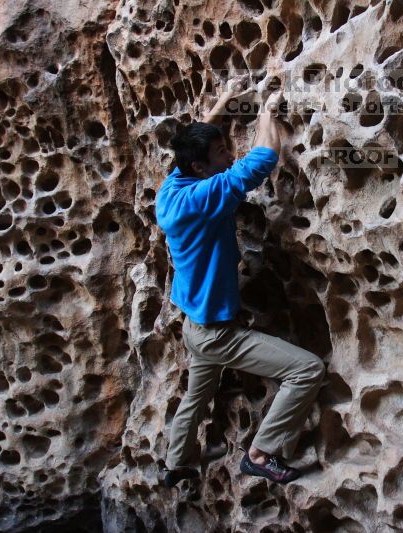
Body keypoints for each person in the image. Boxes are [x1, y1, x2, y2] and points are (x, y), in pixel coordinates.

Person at [155, 74, 326, 488]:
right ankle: (260, 454)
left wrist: (226, 99)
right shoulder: (201, 198)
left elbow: (190, 138)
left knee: (196, 399)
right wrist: (268, 110)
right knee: (307, 370)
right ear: (200, 167)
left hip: (195, 328)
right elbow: (262, 158)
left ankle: (175, 463)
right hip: (215, 334)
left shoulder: (174, 185)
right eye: (220, 152)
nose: (229, 153)